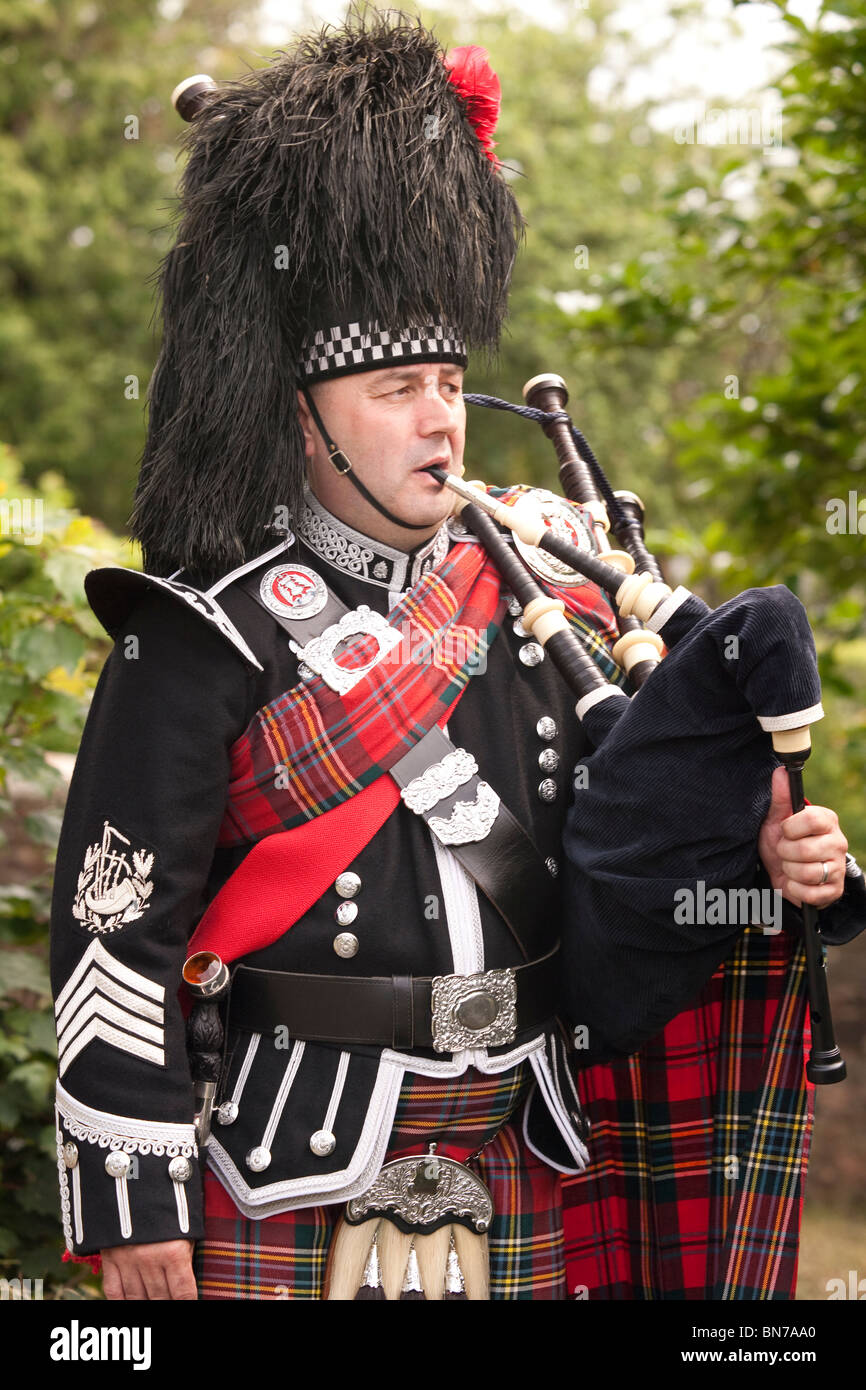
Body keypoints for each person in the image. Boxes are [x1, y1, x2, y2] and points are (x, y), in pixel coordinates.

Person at [50, 10, 863, 1301]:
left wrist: (766, 854)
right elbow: (113, 926)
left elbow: (632, 838)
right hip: (282, 1156)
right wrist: (131, 1188)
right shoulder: (203, 632)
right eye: (394, 390)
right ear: (302, 418)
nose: (439, 417)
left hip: (521, 1146)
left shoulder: (545, 590)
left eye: (445, 379)